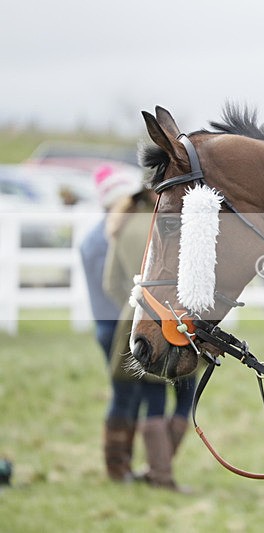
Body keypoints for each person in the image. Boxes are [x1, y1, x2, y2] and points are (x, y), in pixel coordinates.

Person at [103, 175, 196, 491]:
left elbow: (112, 283)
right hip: (171, 322)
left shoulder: (123, 224)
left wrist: (134, 310)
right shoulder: (166, 227)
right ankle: (161, 474)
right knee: (182, 397)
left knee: (150, 398)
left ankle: (146, 471)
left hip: (135, 319)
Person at [80, 164, 143, 482]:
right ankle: (118, 466)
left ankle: (122, 464)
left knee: (125, 394)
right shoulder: (115, 234)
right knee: (125, 395)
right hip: (120, 323)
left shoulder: (93, 237)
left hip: (104, 324)